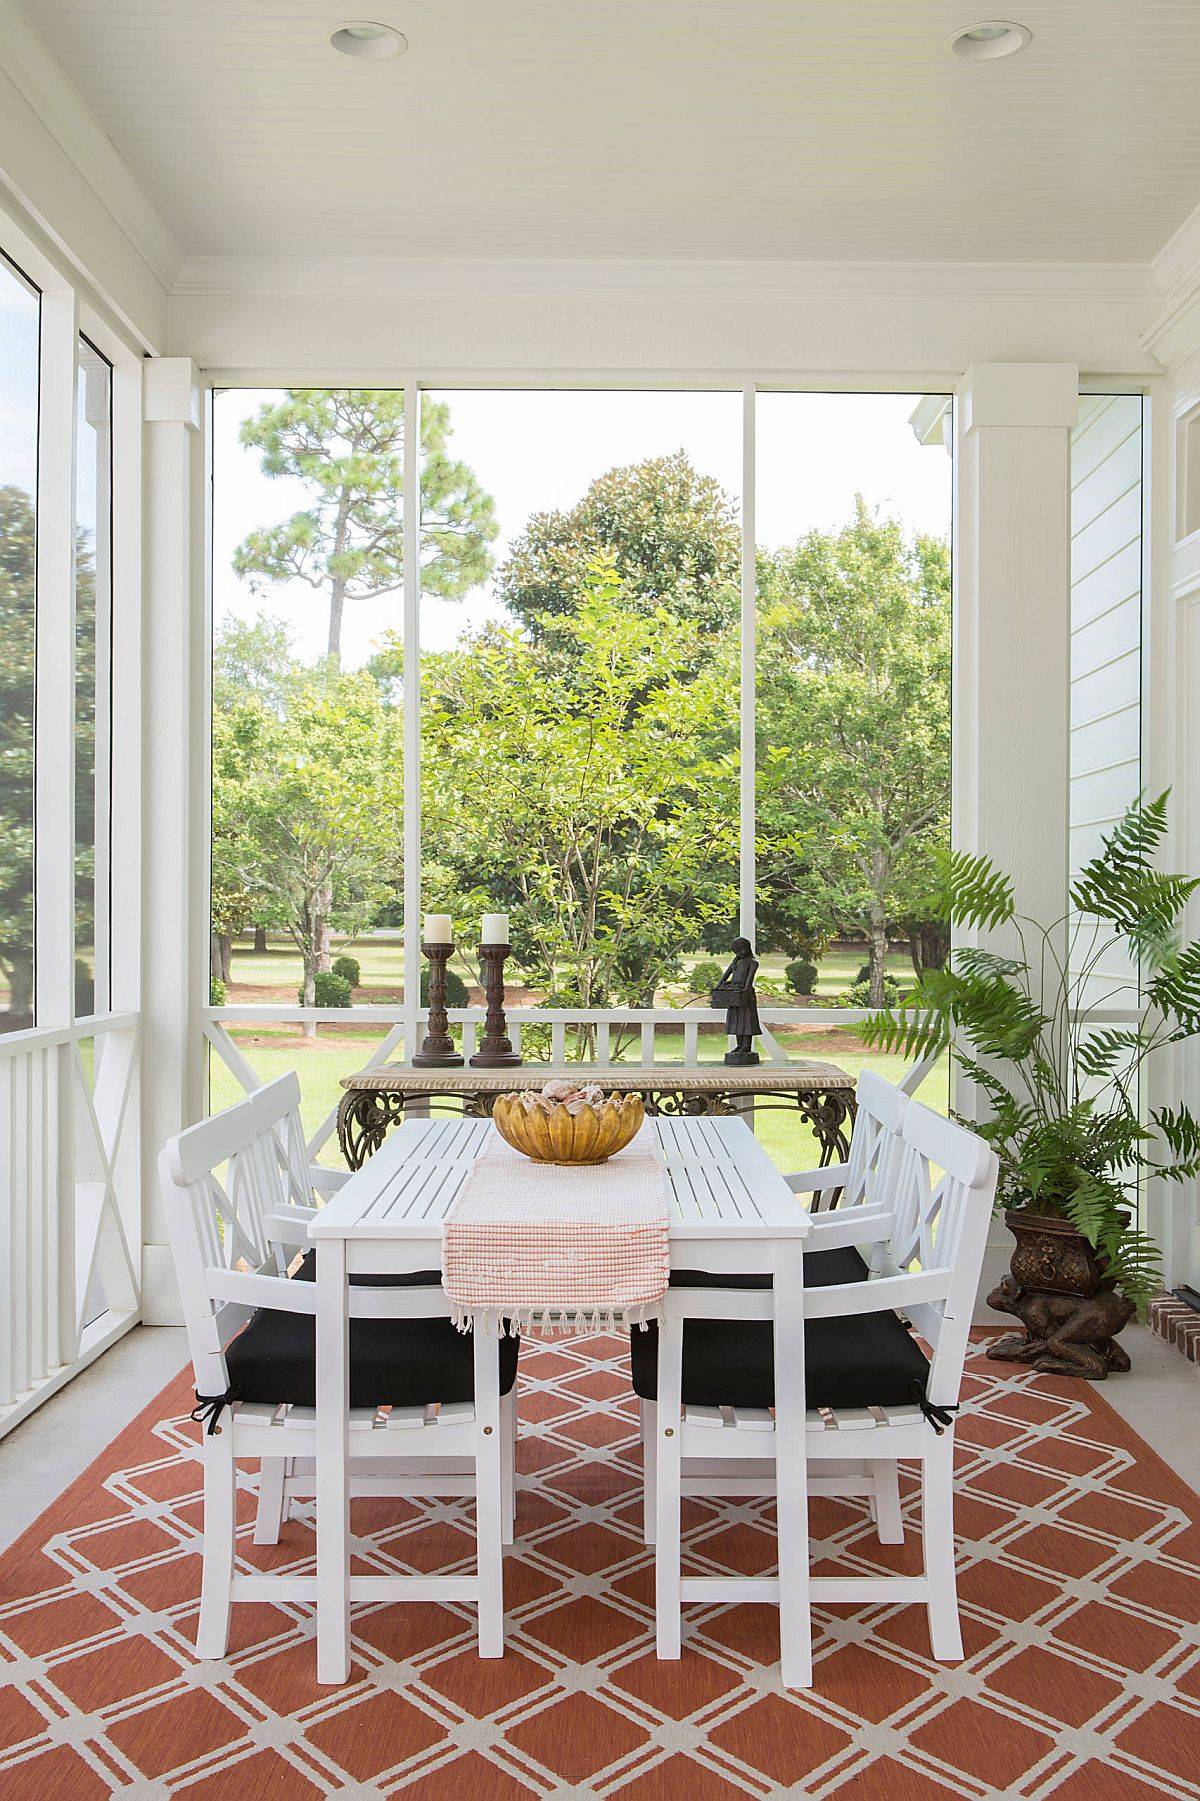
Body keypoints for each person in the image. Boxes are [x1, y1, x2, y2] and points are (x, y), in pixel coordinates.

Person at [712, 937, 761, 1066]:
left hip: (745, 995)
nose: (738, 954)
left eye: (740, 950)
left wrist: (744, 991)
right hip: (735, 993)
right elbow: (725, 976)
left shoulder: (753, 963)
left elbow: (748, 982)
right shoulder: (736, 962)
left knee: (747, 1021)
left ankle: (746, 1046)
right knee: (736, 1021)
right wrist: (718, 987)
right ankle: (739, 1045)